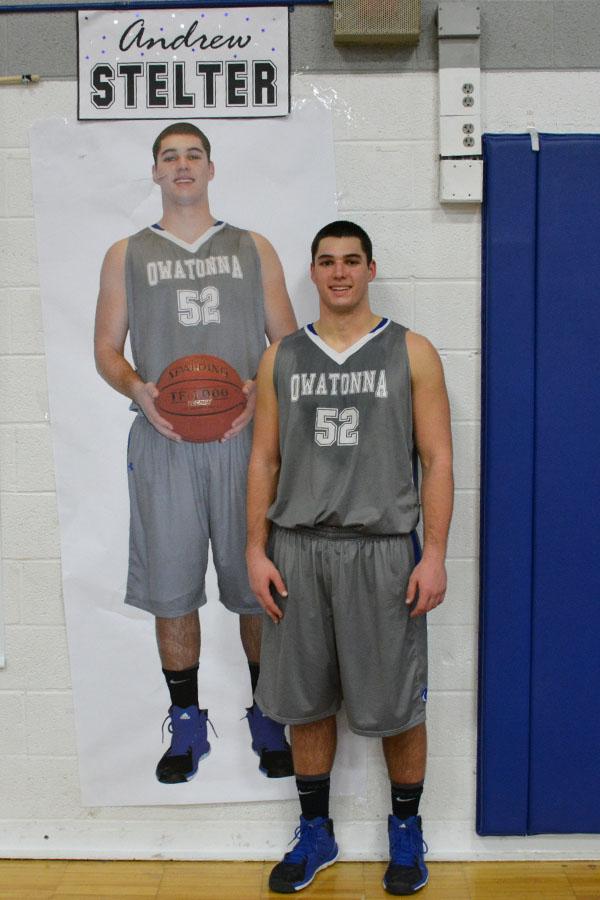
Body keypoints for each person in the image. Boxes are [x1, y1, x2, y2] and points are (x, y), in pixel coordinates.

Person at [246, 220, 453, 894]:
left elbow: (438, 459)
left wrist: (436, 555)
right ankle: (316, 834)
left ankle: (406, 835)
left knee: (397, 705)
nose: (340, 273)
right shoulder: (281, 355)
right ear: (312, 271)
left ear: (370, 269)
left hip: (383, 550)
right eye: (327, 262)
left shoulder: (412, 351)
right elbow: (265, 458)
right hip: (298, 548)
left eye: (352, 261)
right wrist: (255, 547)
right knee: (304, 703)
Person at [94, 122, 297, 784]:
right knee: (172, 591)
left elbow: (286, 343)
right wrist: (140, 390)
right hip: (166, 441)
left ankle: (267, 715)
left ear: (212, 168)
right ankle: (186, 726)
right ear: (154, 172)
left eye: (193, 156)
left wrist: (253, 385)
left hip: (245, 444)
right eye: (169, 157)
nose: (182, 166)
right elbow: (106, 350)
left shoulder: (252, 248)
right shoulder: (126, 253)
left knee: (254, 587)